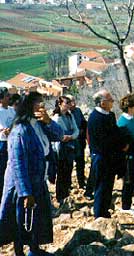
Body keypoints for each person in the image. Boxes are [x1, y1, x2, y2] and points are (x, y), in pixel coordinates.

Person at [0, 92, 63, 256]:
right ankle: (19, 252)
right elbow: (17, 163)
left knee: (36, 219)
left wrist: (49, 122)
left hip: (37, 180)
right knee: (19, 222)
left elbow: (59, 135)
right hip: (21, 184)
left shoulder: (40, 124)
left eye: (43, 103)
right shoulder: (20, 130)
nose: (42, 106)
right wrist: (25, 192)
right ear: (28, 106)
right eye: (38, 103)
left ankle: (34, 250)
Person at [87, 89, 128, 218]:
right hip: (101, 156)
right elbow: (104, 141)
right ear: (102, 103)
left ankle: (105, 212)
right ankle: (99, 216)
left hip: (111, 157)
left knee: (108, 187)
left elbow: (115, 132)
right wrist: (120, 146)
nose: (113, 102)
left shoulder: (109, 115)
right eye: (110, 100)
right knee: (101, 188)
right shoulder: (95, 118)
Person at [52, 96, 79, 206]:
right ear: (60, 104)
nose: (68, 105)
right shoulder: (56, 118)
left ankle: (66, 194)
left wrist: (72, 136)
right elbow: (60, 133)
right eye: (66, 103)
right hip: (61, 148)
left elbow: (75, 130)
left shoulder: (70, 115)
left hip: (70, 146)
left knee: (68, 170)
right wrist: (67, 135)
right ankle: (60, 196)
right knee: (61, 172)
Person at [66, 94, 87, 189]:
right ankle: (68, 184)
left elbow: (83, 123)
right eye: (71, 102)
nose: (73, 104)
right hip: (70, 143)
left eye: (74, 101)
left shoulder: (78, 111)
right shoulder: (64, 114)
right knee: (68, 165)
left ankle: (81, 182)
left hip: (80, 141)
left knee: (80, 163)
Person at [0, 87, 15, 204]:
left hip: (12, 142)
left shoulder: (11, 110)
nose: (9, 97)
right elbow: (3, 128)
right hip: (3, 143)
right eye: (6, 96)